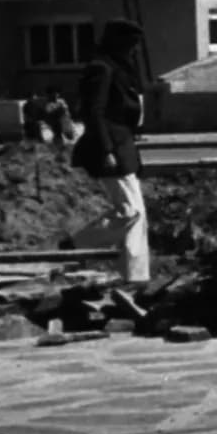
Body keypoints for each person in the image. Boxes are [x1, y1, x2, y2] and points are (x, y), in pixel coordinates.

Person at [73, 20, 153, 283]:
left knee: (135, 214)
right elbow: (94, 112)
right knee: (131, 213)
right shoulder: (102, 68)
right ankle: (79, 243)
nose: (135, 51)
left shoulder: (120, 69)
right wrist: (107, 149)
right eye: (132, 45)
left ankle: (136, 275)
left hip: (123, 146)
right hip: (110, 149)